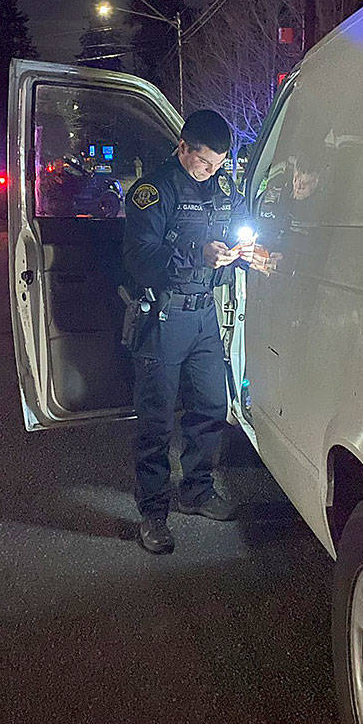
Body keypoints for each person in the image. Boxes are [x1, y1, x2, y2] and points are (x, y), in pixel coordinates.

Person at [122, 110, 268, 554]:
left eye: (219, 165)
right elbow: (140, 258)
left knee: (210, 406)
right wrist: (196, 255)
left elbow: (240, 227)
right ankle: (153, 512)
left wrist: (248, 253)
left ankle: (196, 491)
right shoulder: (153, 191)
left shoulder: (222, 189)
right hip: (164, 317)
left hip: (204, 316)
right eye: (204, 163)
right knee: (157, 421)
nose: (212, 172)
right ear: (183, 147)